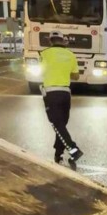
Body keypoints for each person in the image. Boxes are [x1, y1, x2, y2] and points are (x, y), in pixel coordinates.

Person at [39, 31, 84, 167]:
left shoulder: (44, 54)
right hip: (65, 93)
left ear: (50, 41)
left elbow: (41, 71)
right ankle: (58, 155)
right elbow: (76, 76)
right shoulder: (70, 55)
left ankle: (73, 149)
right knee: (61, 125)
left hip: (51, 93)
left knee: (57, 124)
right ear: (63, 41)